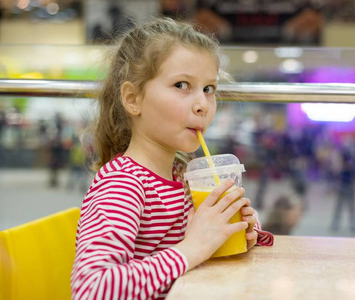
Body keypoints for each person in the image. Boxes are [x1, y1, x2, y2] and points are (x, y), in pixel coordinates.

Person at [71, 17, 274, 300]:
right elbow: (92, 288)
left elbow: (199, 246)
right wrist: (192, 248)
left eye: (209, 89)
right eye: (182, 85)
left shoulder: (182, 175)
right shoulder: (124, 186)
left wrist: (244, 230)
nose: (203, 104)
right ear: (133, 99)